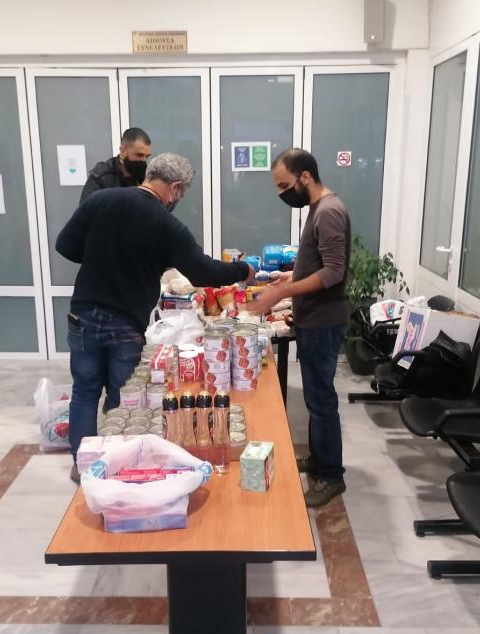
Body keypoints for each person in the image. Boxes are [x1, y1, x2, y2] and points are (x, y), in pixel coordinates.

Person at [57, 153, 254, 482]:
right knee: (125, 401)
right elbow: (202, 271)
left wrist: (101, 255)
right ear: (175, 188)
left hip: (84, 314)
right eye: (181, 194)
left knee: (85, 392)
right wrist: (242, 269)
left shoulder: (100, 200)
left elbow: (65, 245)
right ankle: (118, 470)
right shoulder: (166, 224)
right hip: (124, 323)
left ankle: (83, 466)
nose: (177, 200)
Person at [248, 148, 351, 508]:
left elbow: (333, 272)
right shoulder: (318, 208)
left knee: (321, 401)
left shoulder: (329, 211)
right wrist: (289, 276)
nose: (282, 193)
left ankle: (331, 476)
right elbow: (317, 265)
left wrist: (281, 293)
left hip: (323, 321)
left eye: (284, 185)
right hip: (313, 318)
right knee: (314, 398)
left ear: (305, 176)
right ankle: (320, 460)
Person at [78, 127, 152, 205]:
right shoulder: (102, 177)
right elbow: (86, 209)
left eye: (147, 156)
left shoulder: (148, 178)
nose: (144, 160)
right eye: (139, 155)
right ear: (123, 151)